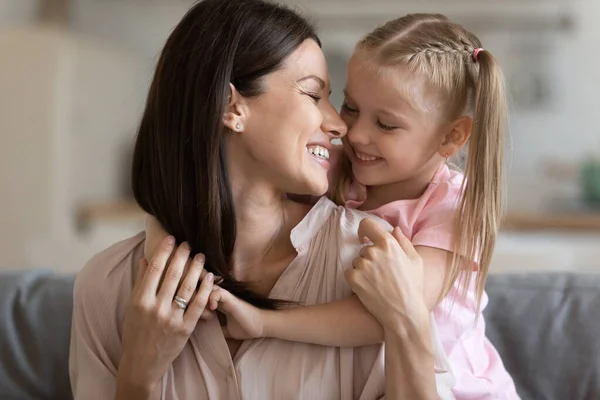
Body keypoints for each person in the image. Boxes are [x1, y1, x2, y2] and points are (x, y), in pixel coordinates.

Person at [68, 1, 446, 399]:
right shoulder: (107, 288)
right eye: (314, 95)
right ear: (233, 107)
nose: (339, 126)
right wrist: (137, 379)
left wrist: (408, 321)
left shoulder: (371, 265)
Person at [189, 13, 519, 399]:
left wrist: (265, 322)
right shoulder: (338, 174)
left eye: (387, 125)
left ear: (451, 136)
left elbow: (389, 315)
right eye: (350, 107)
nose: (355, 133)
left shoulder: (451, 206)